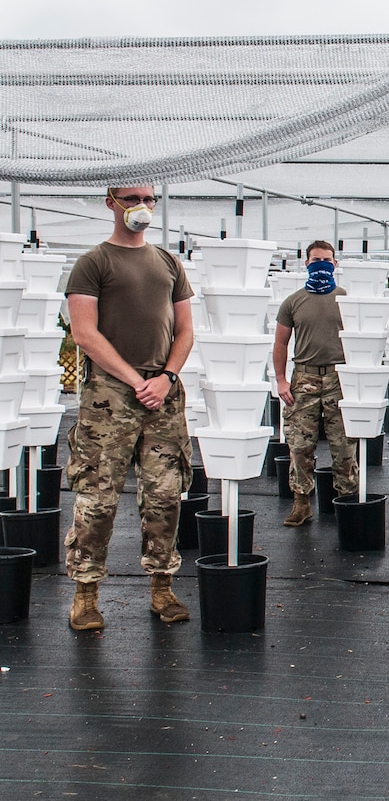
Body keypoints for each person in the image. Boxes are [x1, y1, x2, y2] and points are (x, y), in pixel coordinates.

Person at [63, 185, 195, 630]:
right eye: (132, 197)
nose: (143, 206)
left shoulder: (168, 262)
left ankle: (162, 586)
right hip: (110, 396)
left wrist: (166, 378)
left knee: (164, 496)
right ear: (111, 203)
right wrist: (138, 380)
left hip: (163, 392)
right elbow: (85, 333)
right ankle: (85, 594)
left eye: (150, 198)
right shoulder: (94, 262)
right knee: (97, 498)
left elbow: (185, 330)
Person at [273, 240, 359, 527]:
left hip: (339, 377)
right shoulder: (293, 301)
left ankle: (346, 501)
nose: (321, 263)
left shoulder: (346, 298)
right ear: (306, 263)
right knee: (300, 445)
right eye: (315, 259)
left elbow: (360, 339)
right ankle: (301, 503)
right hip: (304, 376)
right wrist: (281, 380)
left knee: (344, 444)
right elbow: (281, 343)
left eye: (326, 259)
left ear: (335, 264)